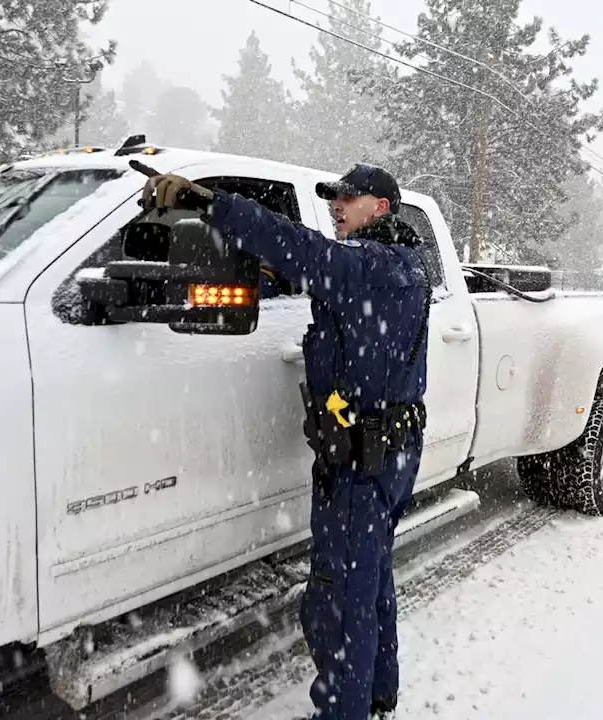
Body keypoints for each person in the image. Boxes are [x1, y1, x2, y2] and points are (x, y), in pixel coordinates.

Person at [141, 163, 430, 720]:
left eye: (350, 197)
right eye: (334, 197)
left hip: (362, 467)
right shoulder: (393, 269)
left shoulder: (372, 267)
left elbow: (305, 252)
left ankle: (343, 710)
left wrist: (214, 204)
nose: (337, 205)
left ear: (382, 209)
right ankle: (377, 696)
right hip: (383, 454)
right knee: (368, 586)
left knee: (339, 602)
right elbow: (301, 265)